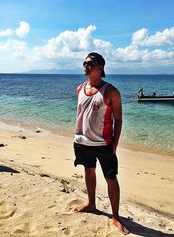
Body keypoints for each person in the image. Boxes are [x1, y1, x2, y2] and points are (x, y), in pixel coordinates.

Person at [73, 52, 129, 235]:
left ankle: (115, 216)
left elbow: (118, 120)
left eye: (90, 63)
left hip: (103, 144)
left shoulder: (111, 91)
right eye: (84, 63)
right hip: (82, 142)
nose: (86, 66)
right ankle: (91, 203)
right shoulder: (80, 88)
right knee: (89, 171)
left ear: (100, 67)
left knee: (111, 178)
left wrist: (114, 145)